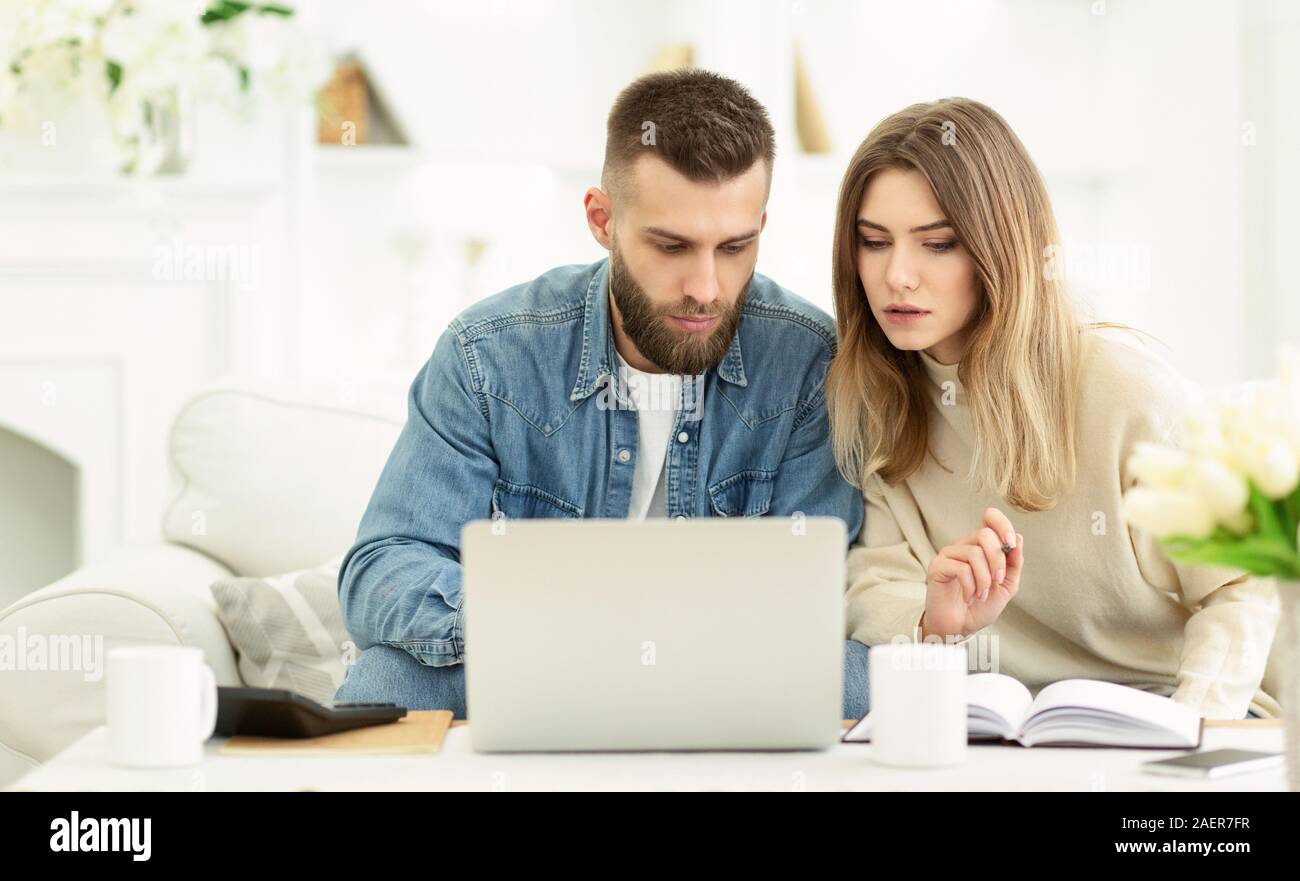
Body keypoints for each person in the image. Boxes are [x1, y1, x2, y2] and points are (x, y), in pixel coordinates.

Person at [335, 69, 867, 719]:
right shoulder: (487, 354)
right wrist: (560, 629)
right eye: (671, 245)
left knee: (866, 678)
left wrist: (665, 648)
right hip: (540, 661)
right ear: (601, 218)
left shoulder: (811, 362)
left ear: (761, 224)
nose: (706, 286)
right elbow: (383, 568)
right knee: (383, 681)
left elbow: (809, 600)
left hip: (724, 675)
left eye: (735, 246)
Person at [828, 97, 1279, 720]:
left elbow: (1245, 586)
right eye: (874, 242)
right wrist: (934, 623)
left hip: (1173, 717)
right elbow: (874, 589)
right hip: (1002, 728)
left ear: (1000, 248)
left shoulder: (1124, 390)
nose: (896, 275)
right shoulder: (876, 397)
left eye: (937, 244)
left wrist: (1189, 727)